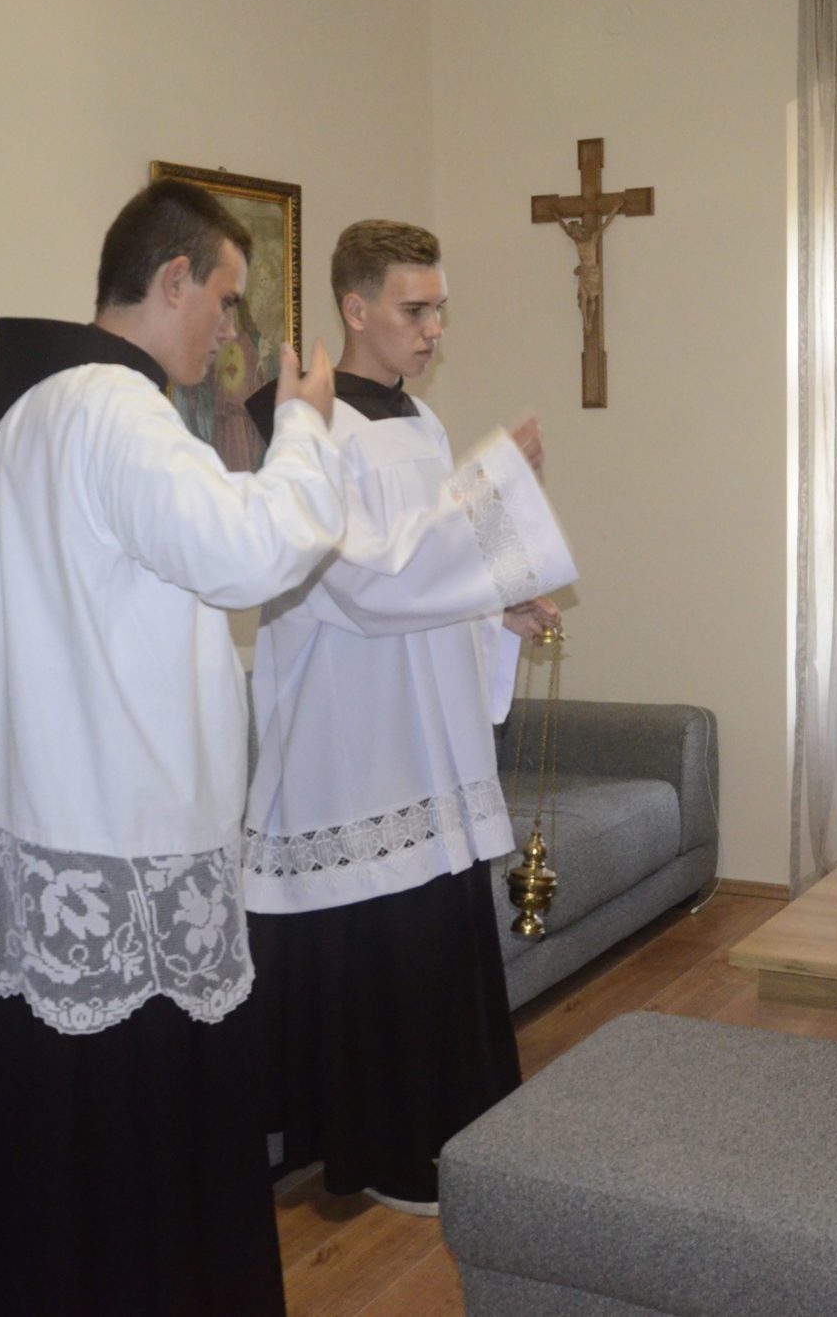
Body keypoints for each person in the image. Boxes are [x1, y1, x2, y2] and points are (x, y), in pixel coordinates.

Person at [0, 181, 346, 1314]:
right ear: (172, 280)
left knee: (54, 1154)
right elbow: (252, 550)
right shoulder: (117, 412)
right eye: (225, 297)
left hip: (47, 827)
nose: (229, 328)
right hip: (124, 845)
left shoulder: (23, 419)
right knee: (144, 1160)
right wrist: (305, 428)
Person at [240, 220, 575, 1214]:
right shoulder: (309, 430)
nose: (433, 331)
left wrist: (493, 605)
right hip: (350, 737)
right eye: (414, 310)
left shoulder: (417, 422)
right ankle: (376, 1149)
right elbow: (366, 584)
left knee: (433, 931)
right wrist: (493, 485)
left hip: (421, 732)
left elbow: (427, 575)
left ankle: (447, 1129)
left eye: (439, 311)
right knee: (374, 942)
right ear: (354, 308)